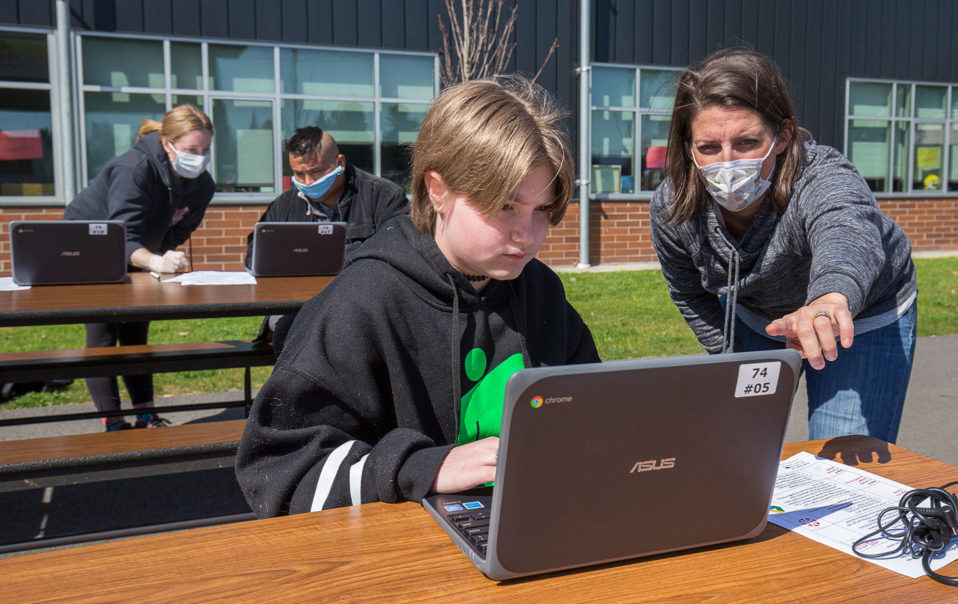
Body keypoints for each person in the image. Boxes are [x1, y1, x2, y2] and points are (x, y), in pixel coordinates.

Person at [235, 76, 600, 517]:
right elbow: (278, 475)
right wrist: (422, 467)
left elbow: (592, 410)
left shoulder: (540, 290)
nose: (528, 234)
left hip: (527, 523)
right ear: (437, 190)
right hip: (397, 558)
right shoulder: (361, 304)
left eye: (542, 210)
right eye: (505, 205)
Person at [649, 48, 917, 444]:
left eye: (746, 142)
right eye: (708, 147)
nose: (727, 163)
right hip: (756, 320)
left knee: (841, 456)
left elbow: (846, 231)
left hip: (855, 320)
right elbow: (689, 292)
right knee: (737, 449)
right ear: (687, 146)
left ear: (782, 136)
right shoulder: (673, 206)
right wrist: (728, 355)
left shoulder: (822, 177)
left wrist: (828, 302)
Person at [63, 104, 215, 431]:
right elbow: (121, 234)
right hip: (88, 245)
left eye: (205, 149)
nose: (200, 157)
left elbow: (179, 228)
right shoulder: (133, 169)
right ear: (167, 145)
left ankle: (146, 414)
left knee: (136, 331)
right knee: (103, 334)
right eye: (191, 150)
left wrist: (159, 256)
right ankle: (112, 419)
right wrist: (155, 260)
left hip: (136, 249)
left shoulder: (202, 185)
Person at [243, 126, 409, 353]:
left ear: (340, 163)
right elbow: (255, 254)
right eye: (299, 175)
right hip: (294, 305)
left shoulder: (383, 196)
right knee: (289, 331)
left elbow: (400, 250)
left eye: (317, 172)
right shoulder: (284, 204)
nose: (308, 182)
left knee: (346, 334)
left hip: (359, 303)